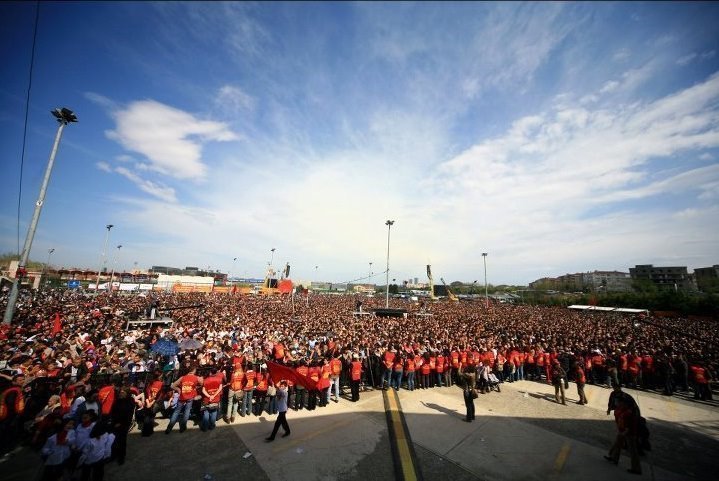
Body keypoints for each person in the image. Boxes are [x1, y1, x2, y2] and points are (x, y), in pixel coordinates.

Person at [604, 396, 642, 475]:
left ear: (624, 403)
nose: (616, 403)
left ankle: (636, 468)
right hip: (622, 430)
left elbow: (629, 426)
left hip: (629, 433)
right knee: (617, 444)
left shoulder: (629, 412)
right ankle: (614, 458)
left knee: (632, 450)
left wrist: (623, 433)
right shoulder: (621, 409)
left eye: (618, 402)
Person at [166, 365, 202, 434]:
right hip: (190, 396)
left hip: (182, 396)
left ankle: (169, 428)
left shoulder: (182, 378)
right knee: (187, 411)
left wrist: (179, 389)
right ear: (194, 370)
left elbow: (172, 386)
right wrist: (195, 387)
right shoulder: (196, 378)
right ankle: (183, 427)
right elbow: (202, 383)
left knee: (176, 411)